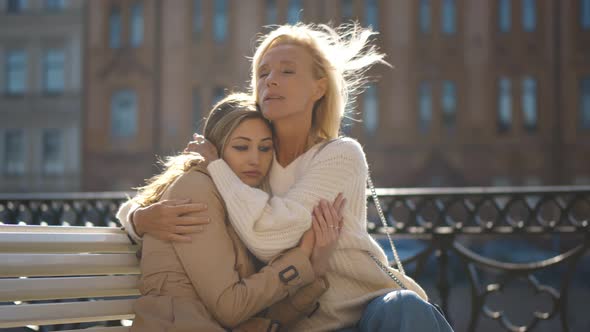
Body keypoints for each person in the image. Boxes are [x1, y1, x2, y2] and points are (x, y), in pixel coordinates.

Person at [120, 23, 453, 332]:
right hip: (296, 320)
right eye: (262, 73)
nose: (271, 80)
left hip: (367, 313)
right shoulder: (248, 162)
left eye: (287, 71)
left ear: (319, 87)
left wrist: (219, 169)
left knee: (406, 306)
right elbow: (164, 192)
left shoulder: (340, 154)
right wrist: (140, 219)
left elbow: (271, 234)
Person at [127, 93, 345, 331]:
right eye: (241, 147)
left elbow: (262, 316)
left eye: (265, 148)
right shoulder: (197, 188)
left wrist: (316, 265)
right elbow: (230, 308)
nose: (255, 159)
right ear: (216, 148)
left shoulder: (244, 200)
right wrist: (301, 257)